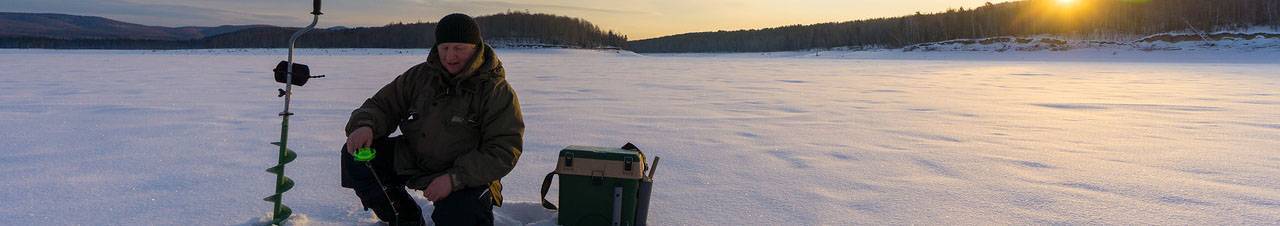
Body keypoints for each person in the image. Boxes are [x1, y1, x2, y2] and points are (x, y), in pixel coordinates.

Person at [340, 13, 524, 226]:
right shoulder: (420, 76)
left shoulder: (496, 91)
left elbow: (504, 150)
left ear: (476, 48)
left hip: (468, 176)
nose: (450, 57)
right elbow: (382, 105)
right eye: (444, 48)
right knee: (357, 157)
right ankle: (405, 219)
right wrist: (365, 126)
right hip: (415, 159)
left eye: (459, 48)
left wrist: (454, 179)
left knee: (459, 214)